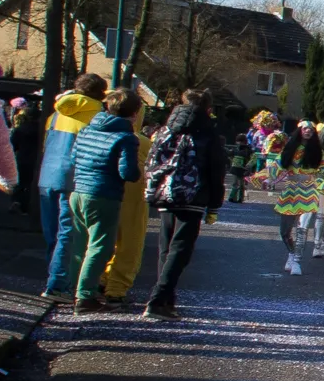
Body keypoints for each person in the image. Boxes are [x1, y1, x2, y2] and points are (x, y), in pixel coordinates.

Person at [143, 89, 226, 318]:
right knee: (181, 248)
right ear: (208, 109)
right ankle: (158, 299)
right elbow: (216, 169)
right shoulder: (208, 133)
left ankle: (167, 300)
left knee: (166, 246)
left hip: (165, 192)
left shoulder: (166, 130)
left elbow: (152, 160)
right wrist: (215, 204)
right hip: (193, 195)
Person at [63, 87, 142, 311]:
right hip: (103, 195)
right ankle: (85, 296)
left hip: (78, 191)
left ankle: (75, 290)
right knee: (101, 247)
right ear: (134, 113)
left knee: (80, 244)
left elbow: (73, 158)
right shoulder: (126, 137)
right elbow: (127, 172)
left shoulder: (88, 129)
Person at [36, 73, 108, 294]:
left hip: (48, 176)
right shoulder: (97, 114)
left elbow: (45, 146)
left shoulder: (57, 112)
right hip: (74, 178)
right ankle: (58, 283)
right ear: (100, 93)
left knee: (52, 233)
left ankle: (54, 276)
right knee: (68, 232)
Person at [274, 121, 324, 275]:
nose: (308, 131)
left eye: (311, 129)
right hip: (290, 192)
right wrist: (266, 179)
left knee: (302, 229)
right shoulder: (289, 149)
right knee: (284, 232)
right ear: (300, 130)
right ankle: (291, 253)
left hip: (309, 193)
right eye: (305, 129)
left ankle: (297, 261)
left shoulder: (318, 153)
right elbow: (276, 167)